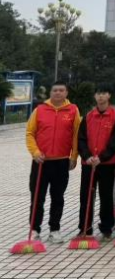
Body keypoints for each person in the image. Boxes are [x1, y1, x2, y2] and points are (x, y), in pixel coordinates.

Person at [25, 81, 81, 243]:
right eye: (55, 90)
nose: (58, 93)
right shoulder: (40, 110)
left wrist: (74, 156)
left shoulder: (73, 110)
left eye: (61, 90)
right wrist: (35, 152)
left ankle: (54, 229)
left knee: (58, 197)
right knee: (37, 197)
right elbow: (30, 133)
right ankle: (34, 229)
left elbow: (76, 135)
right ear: (50, 92)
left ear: (66, 93)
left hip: (61, 162)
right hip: (41, 162)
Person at [77, 85, 115, 241]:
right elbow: (81, 139)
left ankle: (106, 229)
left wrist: (102, 157)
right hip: (89, 164)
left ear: (109, 95)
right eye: (98, 93)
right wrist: (87, 156)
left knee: (106, 197)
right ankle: (85, 228)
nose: (101, 96)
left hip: (107, 164)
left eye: (104, 93)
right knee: (86, 196)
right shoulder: (88, 116)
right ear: (95, 96)